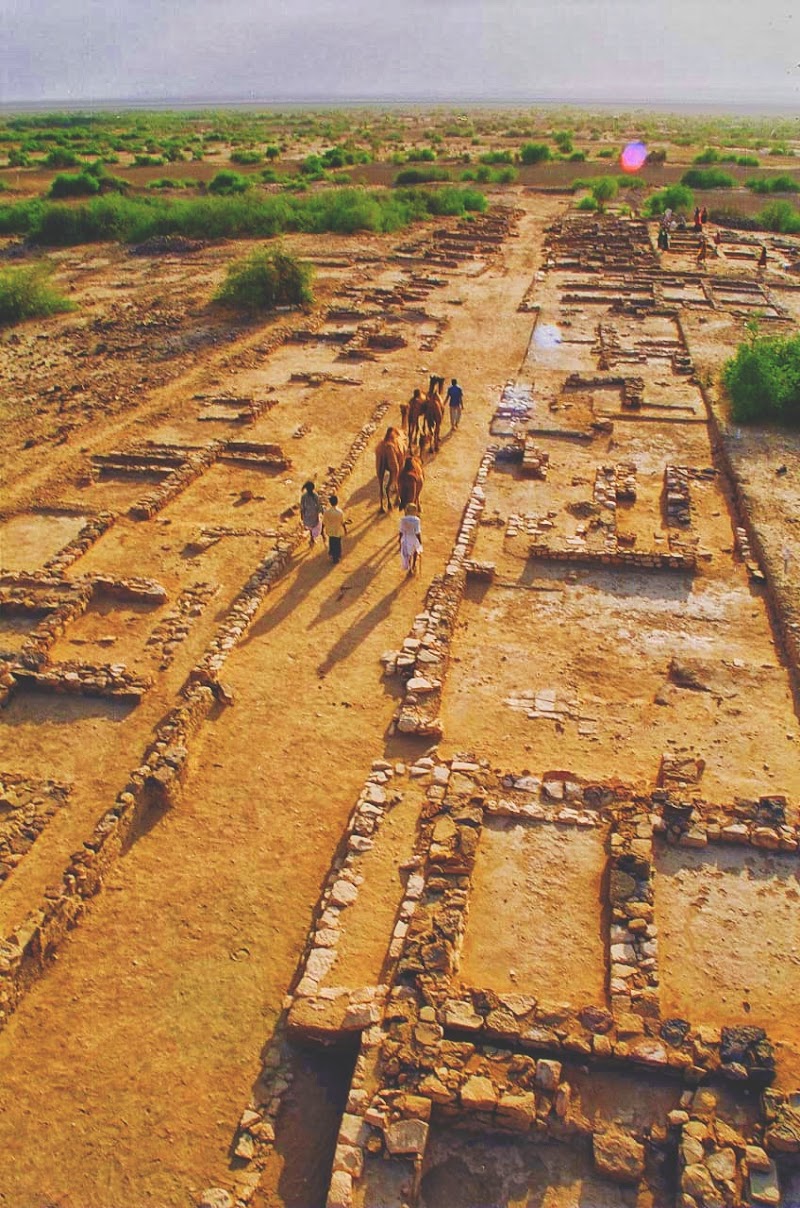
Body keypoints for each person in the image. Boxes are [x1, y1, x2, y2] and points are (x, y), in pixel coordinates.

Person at [322, 494, 348, 564]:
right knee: (337, 543)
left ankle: (332, 553)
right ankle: (337, 555)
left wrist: (322, 530)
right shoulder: (340, 512)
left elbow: (324, 522)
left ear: (330, 503)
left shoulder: (327, 512)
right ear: (337, 502)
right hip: (338, 530)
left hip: (330, 530)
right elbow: (342, 522)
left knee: (331, 542)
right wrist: (345, 529)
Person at [398, 503, 423, 575]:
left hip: (405, 538)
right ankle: (414, 565)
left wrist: (399, 539)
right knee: (415, 552)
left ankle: (409, 568)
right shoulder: (417, 520)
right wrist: (420, 541)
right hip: (413, 538)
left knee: (407, 554)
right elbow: (417, 532)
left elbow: (401, 531)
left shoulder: (403, 520)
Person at [299, 480, 323, 547]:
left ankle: (312, 538)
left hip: (307, 516)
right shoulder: (315, 495)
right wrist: (320, 512)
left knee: (310, 528)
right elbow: (318, 505)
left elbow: (302, 507)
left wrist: (302, 515)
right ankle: (314, 537)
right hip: (314, 515)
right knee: (315, 526)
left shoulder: (304, 497)